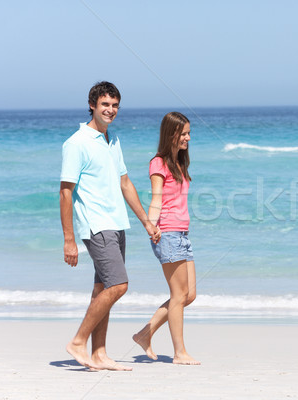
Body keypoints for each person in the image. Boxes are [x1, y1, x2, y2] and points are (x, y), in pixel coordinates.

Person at [60, 81, 160, 371]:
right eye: (105, 104)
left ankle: (99, 354)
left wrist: (145, 220)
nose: (110, 110)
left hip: (117, 223)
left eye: (115, 105)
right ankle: (78, 341)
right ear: (92, 105)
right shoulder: (77, 143)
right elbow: (66, 192)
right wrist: (69, 239)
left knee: (102, 287)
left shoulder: (112, 141)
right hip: (96, 224)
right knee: (119, 285)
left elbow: (125, 183)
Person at [132, 111, 200, 365]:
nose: (188, 138)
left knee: (189, 295)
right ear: (172, 134)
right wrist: (150, 224)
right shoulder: (158, 163)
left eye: (189, 133)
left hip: (182, 233)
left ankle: (144, 334)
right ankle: (179, 352)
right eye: (184, 134)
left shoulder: (179, 162)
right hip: (167, 232)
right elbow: (157, 198)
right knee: (178, 294)